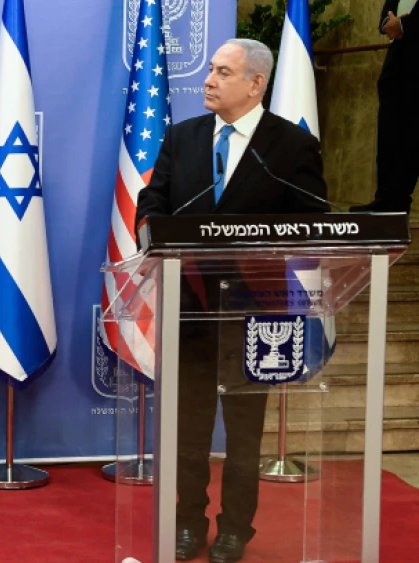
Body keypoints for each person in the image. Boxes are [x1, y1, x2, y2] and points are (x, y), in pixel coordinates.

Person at [136, 39, 328, 563]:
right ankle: (186, 524)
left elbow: (313, 221)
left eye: (224, 72)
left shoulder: (289, 145)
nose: (210, 80)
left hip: (257, 314)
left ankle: (235, 530)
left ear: (256, 83)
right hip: (192, 309)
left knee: (245, 436)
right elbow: (152, 202)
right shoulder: (182, 137)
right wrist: (150, 231)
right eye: (211, 70)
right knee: (188, 434)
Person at [351, 2, 418, 213]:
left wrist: (405, 24)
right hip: (396, 72)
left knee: (413, 141)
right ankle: (386, 200)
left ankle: (398, 201)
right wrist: (387, 23)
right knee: (390, 138)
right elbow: (387, 10)